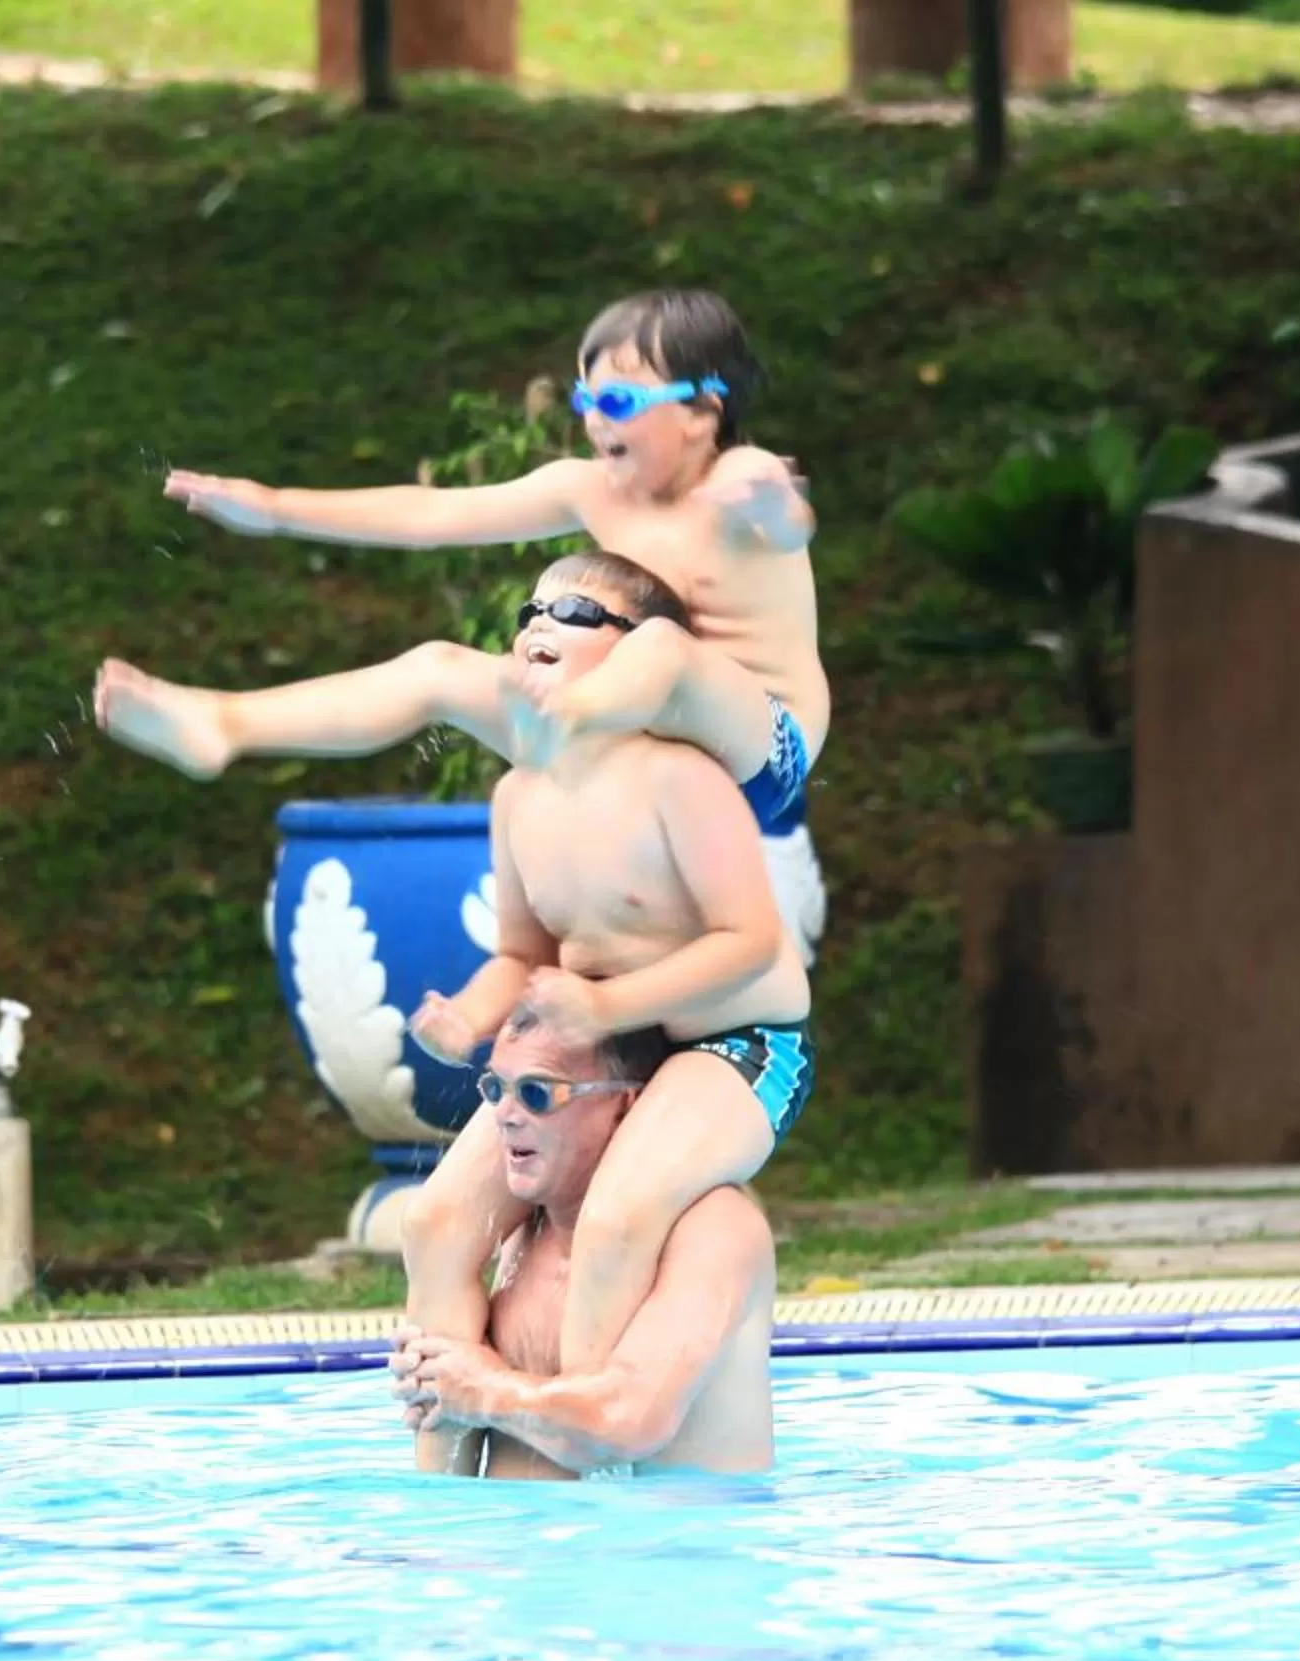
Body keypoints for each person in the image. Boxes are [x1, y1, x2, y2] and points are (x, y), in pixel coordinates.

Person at [97, 550, 813, 1401]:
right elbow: (521, 953)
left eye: (578, 615)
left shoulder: (680, 779)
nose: (541, 623)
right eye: (532, 612)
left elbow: (753, 946)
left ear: (636, 655)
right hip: (604, 1042)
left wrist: (608, 1001)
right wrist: (468, 1015)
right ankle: (445, 1465)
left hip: (733, 1046)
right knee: (436, 1222)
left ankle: (575, 1449)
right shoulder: (521, 795)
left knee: (619, 1218)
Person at [99, 289, 826, 845]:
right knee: (438, 668)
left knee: (659, 646)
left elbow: (789, 523)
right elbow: (432, 514)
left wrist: (767, 500)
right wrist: (275, 505)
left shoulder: (741, 480)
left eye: (617, 399)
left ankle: (561, 720)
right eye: (583, 397)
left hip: (761, 754)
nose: (594, 419)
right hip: (627, 740)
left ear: (701, 410)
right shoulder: (590, 489)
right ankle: (223, 724)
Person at [390, 1007, 777, 1477]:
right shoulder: (521, 1231)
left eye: (537, 1093)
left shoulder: (715, 1231)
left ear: (625, 1106)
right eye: (495, 1089)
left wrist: (484, 1390)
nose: (505, 1117)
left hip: (670, 1545)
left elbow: (629, 1422)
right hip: (512, 1540)